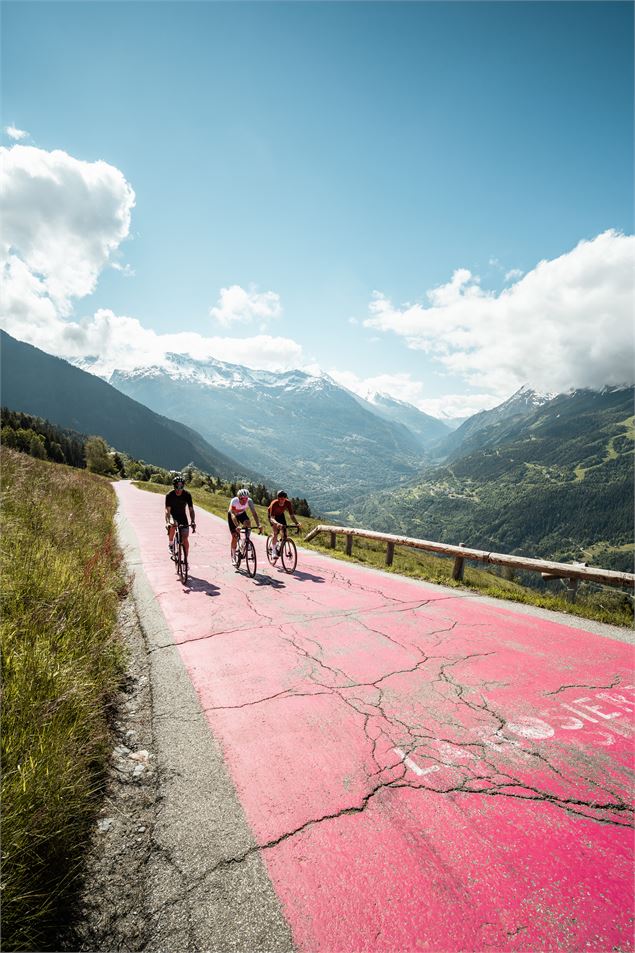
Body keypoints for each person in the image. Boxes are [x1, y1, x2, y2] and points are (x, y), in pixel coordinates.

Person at [165, 475, 196, 559]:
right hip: (172, 515)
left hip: (182, 516)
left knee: (185, 538)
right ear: (174, 486)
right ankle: (171, 544)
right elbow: (167, 510)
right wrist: (168, 521)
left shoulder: (187, 495)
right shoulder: (169, 495)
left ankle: (186, 560)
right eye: (177, 487)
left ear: (183, 486)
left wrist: (192, 521)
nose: (179, 490)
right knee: (173, 525)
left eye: (181, 487)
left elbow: (191, 510)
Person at [228, 487, 262, 562]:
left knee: (248, 522)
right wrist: (237, 526)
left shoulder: (249, 501)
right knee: (235, 536)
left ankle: (246, 540)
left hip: (241, 513)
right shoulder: (234, 501)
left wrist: (258, 525)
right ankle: (233, 556)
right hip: (233, 515)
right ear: (238, 498)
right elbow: (233, 515)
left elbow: (254, 513)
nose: (244, 500)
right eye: (242, 499)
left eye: (246, 499)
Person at [267, 490, 301, 562]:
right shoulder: (274, 503)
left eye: (284, 499)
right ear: (278, 498)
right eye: (280, 499)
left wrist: (297, 523)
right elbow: (272, 518)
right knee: (275, 532)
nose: (282, 500)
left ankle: (279, 545)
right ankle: (273, 551)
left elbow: (292, 516)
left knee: (284, 533)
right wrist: (277, 524)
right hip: (273, 516)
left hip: (281, 515)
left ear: (285, 498)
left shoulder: (288, 503)